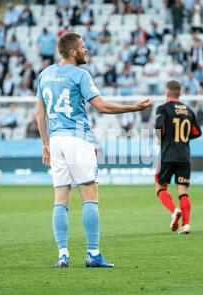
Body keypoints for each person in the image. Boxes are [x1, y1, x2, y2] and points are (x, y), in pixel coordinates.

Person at [35, 32, 151, 268]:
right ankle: (93, 254)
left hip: (56, 141)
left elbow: (40, 114)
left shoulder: (45, 75)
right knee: (90, 195)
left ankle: (63, 255)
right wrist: (132, 108)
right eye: (83, 47)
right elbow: (101, 106)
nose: (86, 50)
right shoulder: (80, 74)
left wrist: (46, 143)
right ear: (72, 52)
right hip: (77, 139)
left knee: (60, 199)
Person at [154, 80, 202, 235]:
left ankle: (174, 210)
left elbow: (159, 127)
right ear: (179, 93)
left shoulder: (163, 108)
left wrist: (159, 138)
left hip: (167, 155)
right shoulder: (188, 110)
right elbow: (197, 132)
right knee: (183, 191)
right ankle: (186, 224)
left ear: (167, 93)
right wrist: (182, 139)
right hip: (184, 156)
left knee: (160, 187)